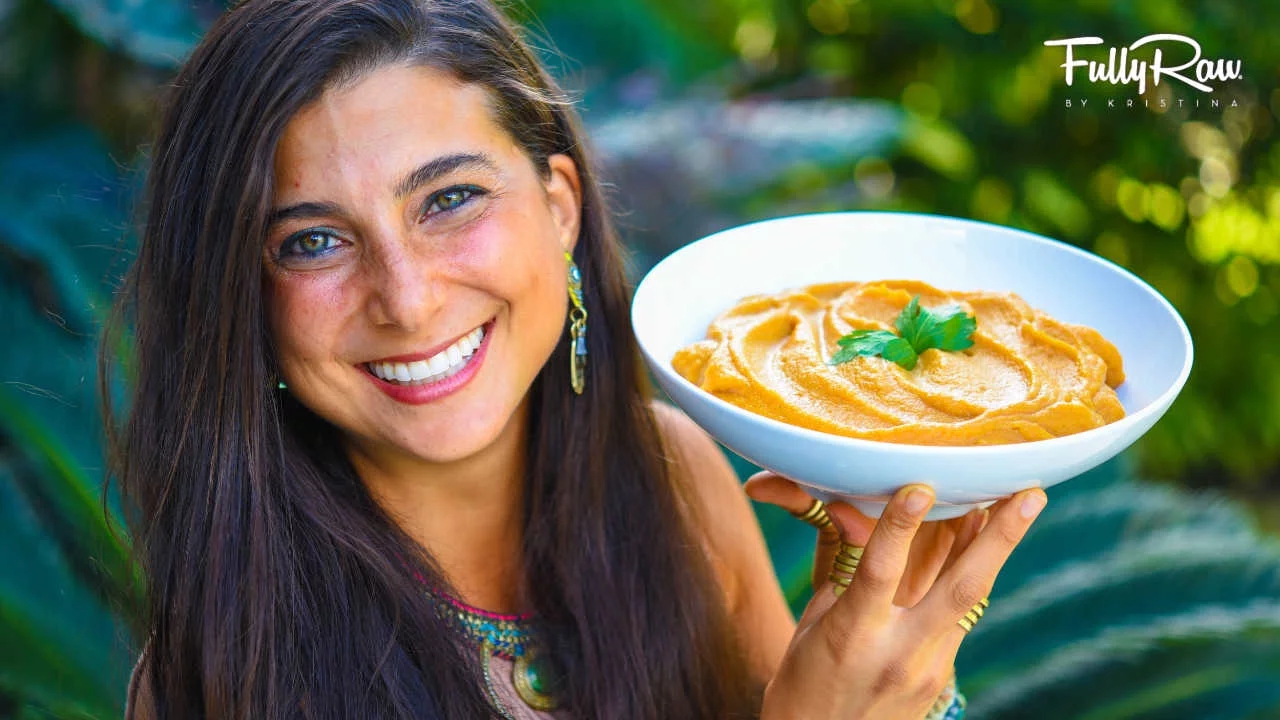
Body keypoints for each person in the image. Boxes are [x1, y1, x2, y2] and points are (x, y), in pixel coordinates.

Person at [104, 0, 1047, 717]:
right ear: (243, 300)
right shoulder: (220, 670)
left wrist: (894, 672)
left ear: (559, 206)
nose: (408, 297)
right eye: (312, 242)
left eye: (449, 201)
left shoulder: (675, 475)